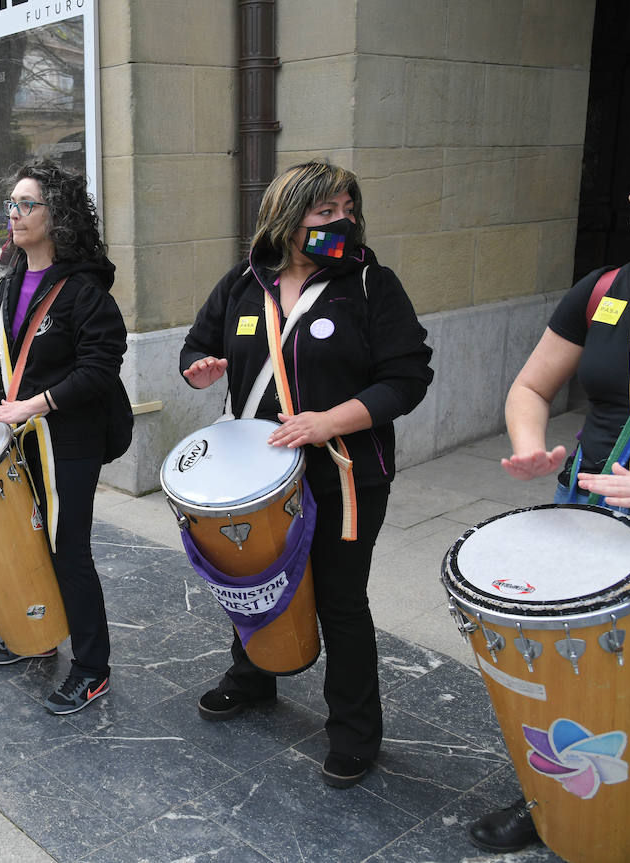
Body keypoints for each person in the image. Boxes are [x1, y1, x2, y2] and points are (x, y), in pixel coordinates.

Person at [179, 160, 433, 786]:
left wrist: (329, 422)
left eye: (347, 208)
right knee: (256, 579)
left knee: (341, 601)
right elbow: (195, 346)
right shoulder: (245, 282)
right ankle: (253, 678)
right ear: (288, 219)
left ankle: (353, 731)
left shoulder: (372, 284)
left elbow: (407, 378)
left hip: (344, 475)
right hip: (256, 477)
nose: (340, 220)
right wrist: (200, 370)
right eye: (325, 211)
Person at [466, 210, 630, 853]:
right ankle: (563, 792)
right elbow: (532, 386)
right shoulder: (604, 289)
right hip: (593, 520)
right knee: (582, 675)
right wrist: (530, 446)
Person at [0, 160, 128, 714]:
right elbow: (4, 352)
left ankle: (92, 667)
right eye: (12, 205)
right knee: (30, 538)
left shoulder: (85, 290)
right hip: (23, 432)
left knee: (67, 547)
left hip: (70, 437)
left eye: (28, 205)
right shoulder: (8, 283)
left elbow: (100, 368)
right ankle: (38, 633)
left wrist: (35, 403)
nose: (15, 214)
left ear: (60, 215)